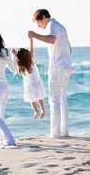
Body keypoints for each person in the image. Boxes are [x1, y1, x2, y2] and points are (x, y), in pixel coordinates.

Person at [28, 9, 72, 138]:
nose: (38, 26)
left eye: (38, 23)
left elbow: (52, 39)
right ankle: (65, 131)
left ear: (43, 18)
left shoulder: (52, 26)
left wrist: (34, 35)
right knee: (63, 99)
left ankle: (55, 133)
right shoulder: (61, 26)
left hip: (57, 67)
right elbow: (69, 48)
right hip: (66, 66)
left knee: (54, 100)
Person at [12, 38, 45, 119]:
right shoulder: (31, 62)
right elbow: (31, 48)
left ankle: (35, 111)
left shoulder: (21, 65)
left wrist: (14, 54)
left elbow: (16, 60)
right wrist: (31, 39)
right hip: (37, 83)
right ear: (28, 55)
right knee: (40, 97)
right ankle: (42, 109)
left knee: (31, 99)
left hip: (29, 85)